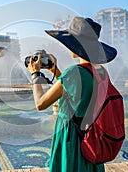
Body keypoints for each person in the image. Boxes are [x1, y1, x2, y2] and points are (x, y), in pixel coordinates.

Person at [27, 16, 117, 172]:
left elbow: (40, 103)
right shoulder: (101, 72)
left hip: (72, 138)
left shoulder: (74, 73)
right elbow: (74, 92)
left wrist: (35, 75)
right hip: (91, 137)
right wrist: (55, 71)